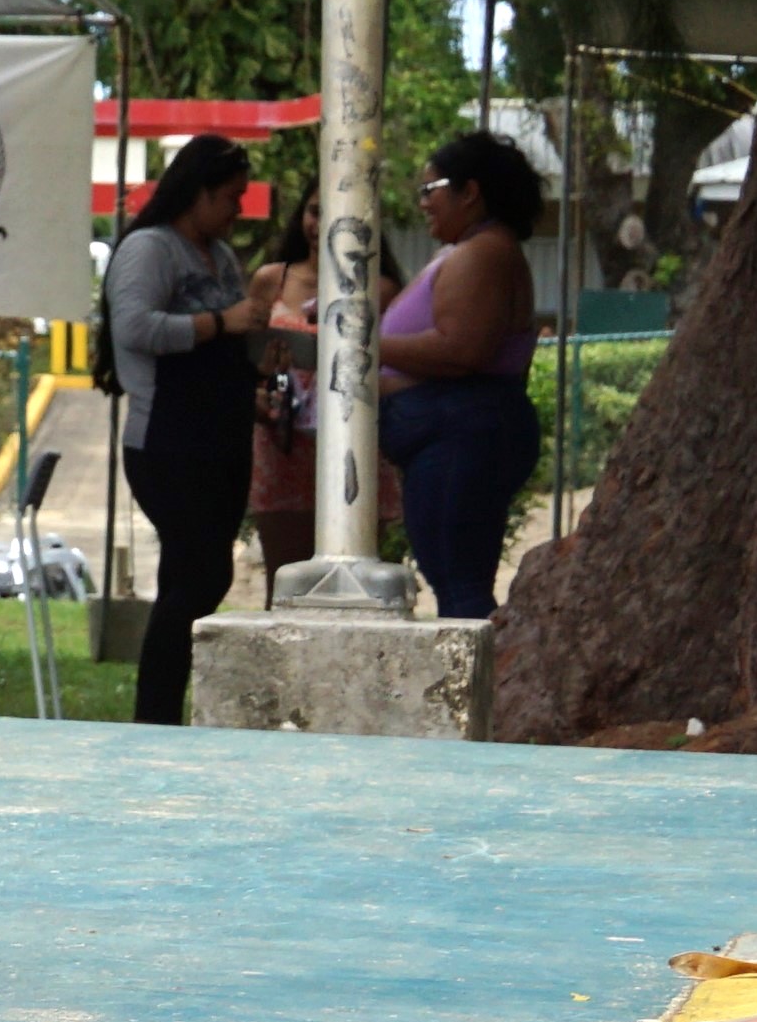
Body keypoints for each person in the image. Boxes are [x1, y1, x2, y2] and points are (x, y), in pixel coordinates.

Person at [102, 132, 263, 724]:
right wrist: (220, 322)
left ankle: (164, 712)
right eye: (228, 197)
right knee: (203, 571)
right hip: (167, 439)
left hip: (221, 436)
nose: (237, 209)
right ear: (195, 193)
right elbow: (136, 326)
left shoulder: (219, 257)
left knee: (190, 572)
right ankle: (155, 710)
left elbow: (232, 339)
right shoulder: (150, 249)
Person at [378, 128, 543, 620]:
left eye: (431, 189)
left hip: (460, 437)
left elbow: (460, 350)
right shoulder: (472, 250)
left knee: (460, 583)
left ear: (469, 192)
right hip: (451, 437)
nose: (423, 203)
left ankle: (479, 695)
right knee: (456, 577)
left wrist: (358, 347)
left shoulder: (484, 253)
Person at [243, 186, 405, 585]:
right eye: (315, 211)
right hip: (282, 443)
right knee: (283, 582)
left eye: (336, 213)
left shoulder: (379, 289)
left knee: (357, 584)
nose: (322, 225)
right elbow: (246, 355)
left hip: (354, 443)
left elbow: (394, 362)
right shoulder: (271, 279)